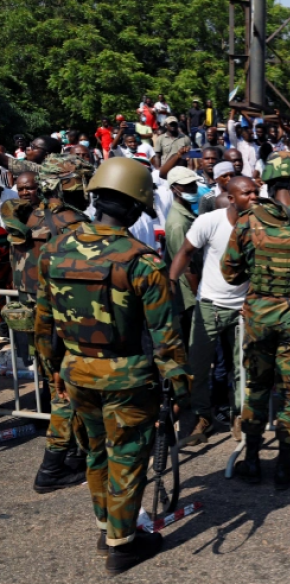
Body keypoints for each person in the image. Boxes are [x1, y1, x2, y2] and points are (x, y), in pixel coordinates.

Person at [34, 156, 190, 574]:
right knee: (127, 455)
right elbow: (165, 335)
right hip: (127, 376)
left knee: (96, 452)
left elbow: (43, 322)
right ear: (137, 205)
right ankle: (123, 543)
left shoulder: (54, 250)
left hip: (76, 372)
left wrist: (54, 372)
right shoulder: (141, 261)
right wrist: (180, 386)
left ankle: (106, 526)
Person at [222, 152, 290, 488]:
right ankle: (285, 464)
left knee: (256, 389)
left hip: (258, 319)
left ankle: (252, 460)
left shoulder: (246, 221)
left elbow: (229, 274)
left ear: (267, 181)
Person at [1, 155, 94, 493]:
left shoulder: (35, 216)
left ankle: (71, 453)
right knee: (66, 390)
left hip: (47, 317)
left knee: (59, 386)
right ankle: (54, 465)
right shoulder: (73, 220)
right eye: (78, 180)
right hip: (65, 319)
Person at [170, 176, 258, 445]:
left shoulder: (261, 224)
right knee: (198, 367)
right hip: (209, 305)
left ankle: (239, 416)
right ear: (231, 198)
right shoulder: (209, 221)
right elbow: (185, 252)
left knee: (242, 367)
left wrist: (252, 299)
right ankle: (202, 417)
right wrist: (170, 285)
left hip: (243, 308)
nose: (254, 197)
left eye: (256, 192)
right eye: (247, 193)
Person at [164, 167, 203, 342]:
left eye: (193, 184)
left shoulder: (187, 214)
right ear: (174, 189)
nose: (193, 188)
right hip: (190, 295)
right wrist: (199, 297)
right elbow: (187, 265)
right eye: (187, 186)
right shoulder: (178, 223)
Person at [226, 108, 258, 177]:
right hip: (240, 178)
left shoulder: (256, 147)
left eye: (251, 133)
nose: (250, 134)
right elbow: (231, 130)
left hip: (254, 180)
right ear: (243, 134)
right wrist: (233, 112)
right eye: (248, 133)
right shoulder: (238, 144)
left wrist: (244, 114)